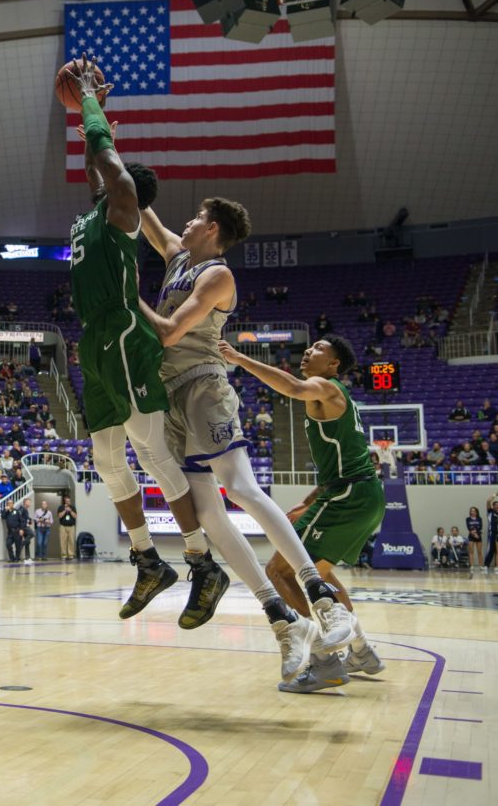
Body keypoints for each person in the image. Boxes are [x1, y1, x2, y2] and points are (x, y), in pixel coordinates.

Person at [139, 201, 350, 682]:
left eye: (195, 216)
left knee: (240, 488)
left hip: (202, 384)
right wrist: (105, 157)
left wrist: (125, 298)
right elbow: (143, 214)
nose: (186, 222)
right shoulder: (177, 257)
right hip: (170, 395)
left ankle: (321, 595)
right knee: (207, 513)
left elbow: (170, 333)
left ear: (212, 228)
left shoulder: (218, 275)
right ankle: (282, 620)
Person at [67, 57, 225, 625]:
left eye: (111, 178)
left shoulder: (124, 211)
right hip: (94, 341)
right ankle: (146, 559)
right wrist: (84, 118)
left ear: (127, 191)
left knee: (152, 452)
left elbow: (109, 164)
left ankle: (203, 562)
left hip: (127, 336)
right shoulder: (97, 214)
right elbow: (97, 162)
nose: (103, 179)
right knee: (107, 460)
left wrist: (89, 104)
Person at [219, 336, 386, 693]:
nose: (308, 351)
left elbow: (293, 387)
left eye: (318, 348)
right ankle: (360, 650)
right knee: (320, 574)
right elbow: (343, 462)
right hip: (360, 494)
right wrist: (310, 501)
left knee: (279, 571)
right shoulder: (337, 396)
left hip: (348, 495)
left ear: (334, 364)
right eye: (308, 348)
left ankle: (324, 662)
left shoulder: (325, 387)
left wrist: (239, 359)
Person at [57, 496, 77, 560]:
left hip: (71, 526)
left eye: (69, 501)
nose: (68, 502)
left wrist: (70, 511)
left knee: (71, 540)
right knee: (63, 541)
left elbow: (75, 516)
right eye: (67, 501)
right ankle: (64, 555)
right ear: (65, 501)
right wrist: (65, 510)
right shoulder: (61, 507)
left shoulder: (73, 507)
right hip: (63, 526)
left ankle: (70, 555)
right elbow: (59, 516)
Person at [466, 505, 483, 570]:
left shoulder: (479, 518)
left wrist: (476, 532)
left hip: (478, 536)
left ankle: (481, 565)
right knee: (471, 551)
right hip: (471, 536)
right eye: (471, 511)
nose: (472, 512)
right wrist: (473, 533)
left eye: (473, 511)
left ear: (476, 512)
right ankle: (472, 565)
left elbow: (480, 527)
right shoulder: (468, 519)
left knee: (479, 552)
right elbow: (468, 527)